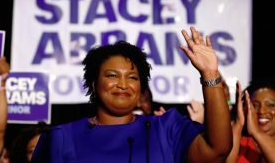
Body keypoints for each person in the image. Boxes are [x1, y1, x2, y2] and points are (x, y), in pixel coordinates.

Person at [31, 26, 233, 163]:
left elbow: (218, 150)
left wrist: (210, 74)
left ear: (141, 88)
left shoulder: (166, 129)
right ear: (93, 84)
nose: (123, 84)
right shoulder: (61, 138)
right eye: (112, 75)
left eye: (133, 78)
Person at [226, 79, 275, 163]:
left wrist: (257, 132)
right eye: (254, 105)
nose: (262, 111)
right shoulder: (239, 143)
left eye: (270, 105)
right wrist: (238, 124)